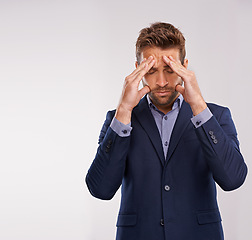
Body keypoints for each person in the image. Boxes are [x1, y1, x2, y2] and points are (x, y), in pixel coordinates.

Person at [85, 22, 247, 240]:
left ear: (184, 66)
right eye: (151, 71)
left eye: (170, 70)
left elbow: (233, 180)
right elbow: (100, 189)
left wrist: (198, 106)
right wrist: (124, 109)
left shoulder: (215, 116)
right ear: (137, 69)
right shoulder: (118, 119)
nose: (161, 82)